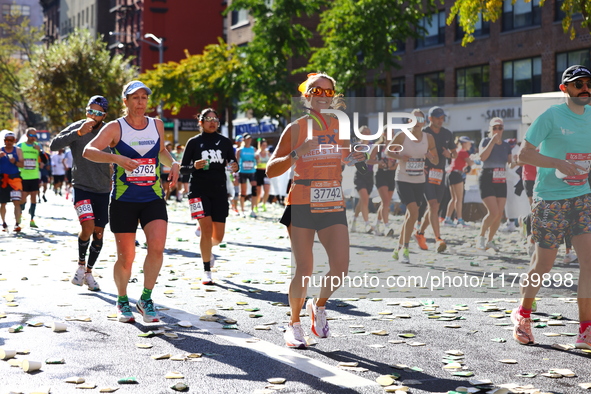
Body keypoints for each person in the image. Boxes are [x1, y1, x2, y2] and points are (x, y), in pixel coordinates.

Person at [267, 72, 365, 348]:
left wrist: (355, 156)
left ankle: (318, 306)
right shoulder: (296, 128)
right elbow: (271, 168)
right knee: (304, 267)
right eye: (316, 91)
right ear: (306, 95)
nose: (322, 95)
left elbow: (343, 157)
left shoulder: (340, 126)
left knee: (340, 266)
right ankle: (293, 324)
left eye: (327, 91)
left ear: (334, 96)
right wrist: (298, 153)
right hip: (302, 199)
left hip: (332, 198)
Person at [83, 80, 180, 323]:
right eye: (135, 98)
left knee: (157, 247)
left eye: (144, 98)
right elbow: (89, 151)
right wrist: (117, 159)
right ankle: (122, 299)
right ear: (125, 101)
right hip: (123, 200)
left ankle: (146, 298)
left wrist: (174, 162)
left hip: (153, 197)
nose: (140, 102)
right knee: (127, 256)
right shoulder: (116, 128)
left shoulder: (157, 124)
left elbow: (161, 152)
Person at [513, 64, 591, 349]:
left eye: (588, 83)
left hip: (582, 197)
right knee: (543, 264)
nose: (584, 88)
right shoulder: (550, 116)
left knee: (589, 263)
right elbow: (524, 155)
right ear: (564, 89)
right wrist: (556, 162)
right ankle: (523, 314)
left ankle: (585, 330)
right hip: (550, 200)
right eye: (577, 83)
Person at [50, 95, 111, 292]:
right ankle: (80, 265)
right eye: (90, 111)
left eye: (98, 113)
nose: (93, 115)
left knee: (99, 233)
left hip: (103, 189)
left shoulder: (111, 130)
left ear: (104, 115)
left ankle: (89, 273)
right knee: (88, 226)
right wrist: (78, 132)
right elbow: (53, 145)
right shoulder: (78, 126)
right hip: (81, 186)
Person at [180, 108, 238, 285]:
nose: (212, 122)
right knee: (206, 230)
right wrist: (194, 166)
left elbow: (234, 163)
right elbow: (183, 169)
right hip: (198, 191)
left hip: (219, 191)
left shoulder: (225, 142)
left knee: (218, 237)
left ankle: (208, 249)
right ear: (201, 122)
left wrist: (235, 166)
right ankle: (207, 270)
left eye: (215, 119)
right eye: (208, 119)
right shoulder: (193, 142)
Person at [389, 109, 438, 263]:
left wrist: (431, 157)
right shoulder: (402, 135)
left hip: (419, 180)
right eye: (413, 119)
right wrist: (400, 156)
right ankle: (405, 248)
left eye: (420, 119)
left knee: (410, 216)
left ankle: (397, 247)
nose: (417, 122)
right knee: (413, 212)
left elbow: (436, 161)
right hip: (403, 179)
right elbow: (388, 151)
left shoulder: (428, 138)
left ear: (424, 122)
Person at [414, 106, 456, 253]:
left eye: (442, 117)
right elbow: (415, 149)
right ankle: (438, 239)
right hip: (426, 172)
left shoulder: (447, 133)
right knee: (432, 204)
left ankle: (419, 234)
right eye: (438, 117)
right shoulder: (424, 132)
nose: (440, 120)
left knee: (434, 207)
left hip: (440, 173)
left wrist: (449, 154)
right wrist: (420, 163)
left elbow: (454, 154)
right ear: (430, 119)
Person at [476, 117, 513, 251]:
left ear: (503, 129)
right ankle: (480, 236)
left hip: (501, 178)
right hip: (487, 176)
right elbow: (482, 157)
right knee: (493, 211)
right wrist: (492, 141)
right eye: (494, 128)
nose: (497, 130)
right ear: (490, 129)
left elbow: (510, 162)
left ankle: (490, 240)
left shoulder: (506, 145)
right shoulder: (485, 141)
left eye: (500, 128)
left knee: (499, 214)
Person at [371, 129, 398, 236]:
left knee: (385, 202)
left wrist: (394, 165)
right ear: (384, 134)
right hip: (381, 174)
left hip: (392, 175)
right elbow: (368, 160)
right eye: (389, 133)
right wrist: (379, 162)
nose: (392, 135)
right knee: (386, 201)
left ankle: (376, 224)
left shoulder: (397, 147)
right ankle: (387, 226)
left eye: (393, 133)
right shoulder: (378, 146)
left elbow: (400, 161)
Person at [350, 126, 376, 233]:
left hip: (370, 175)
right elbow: (352, 160)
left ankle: (354, 219)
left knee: (362, 200)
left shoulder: (373, 145)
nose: (367, 134)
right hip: (360, 175)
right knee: (365, 199)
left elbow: (374, 160)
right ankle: (367, 224)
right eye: (364, 133)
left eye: (368, 132)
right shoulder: (357, 146)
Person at [443, 136, 474, 227]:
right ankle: (459, 219)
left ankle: (447, 219)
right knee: (459, 199)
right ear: (464, 143)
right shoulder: (463, 152)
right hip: (456, 175)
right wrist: (475, 159)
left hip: (450, 173)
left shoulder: (457, 150)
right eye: (469, 143)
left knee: (453, 198)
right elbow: (471, 163)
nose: (470, 145)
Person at [17, 128, 44, 229]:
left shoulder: (38, 146)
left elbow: (44, 159)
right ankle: (20, 211)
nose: (33, 138)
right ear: (27, 135)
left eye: (35, 136)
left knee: (34, 197)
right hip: (23, 176)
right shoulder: (20, 146)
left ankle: (32, 219)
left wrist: (40, 152)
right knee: (23, 198)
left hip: (34, 175)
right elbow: (16, 158)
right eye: (31, 136)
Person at [0, 132, 23, 232]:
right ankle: (4, 223)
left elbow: (22, 164)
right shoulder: (0, 151)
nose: (9, 142)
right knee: (3, 203)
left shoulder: (18, 150)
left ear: (14, 141)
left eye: (11, 140)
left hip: (15, 179)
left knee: (16, 202)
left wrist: (15, 162)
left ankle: (17, 224)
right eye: (7, 140)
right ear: (4, 141)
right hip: (2, 180)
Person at [236, 133, 258, 217]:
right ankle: (242, 210)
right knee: (243, 192)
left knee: (254, 190)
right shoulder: (240, 150)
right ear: (244, 140)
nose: (249, 140)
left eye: (250, 139)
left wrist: (257, 159)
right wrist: (235, 173)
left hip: (252, 172)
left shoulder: (254, 149)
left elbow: (258, 159)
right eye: (247, 139)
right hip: (243, 172)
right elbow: (236, 162)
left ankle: (253, 210)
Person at [255, 138, 271, 212]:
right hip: (258, 172)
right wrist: (257, 161)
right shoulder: (257, 154)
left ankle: (264, 203)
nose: (265, 146)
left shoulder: (268, 153)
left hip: (266, 173)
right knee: (258, 191)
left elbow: (271, 162)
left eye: (266, 145)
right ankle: (256, 205)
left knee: (267, 189)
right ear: (260, 145)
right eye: (263, 145)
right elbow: (255, 164)